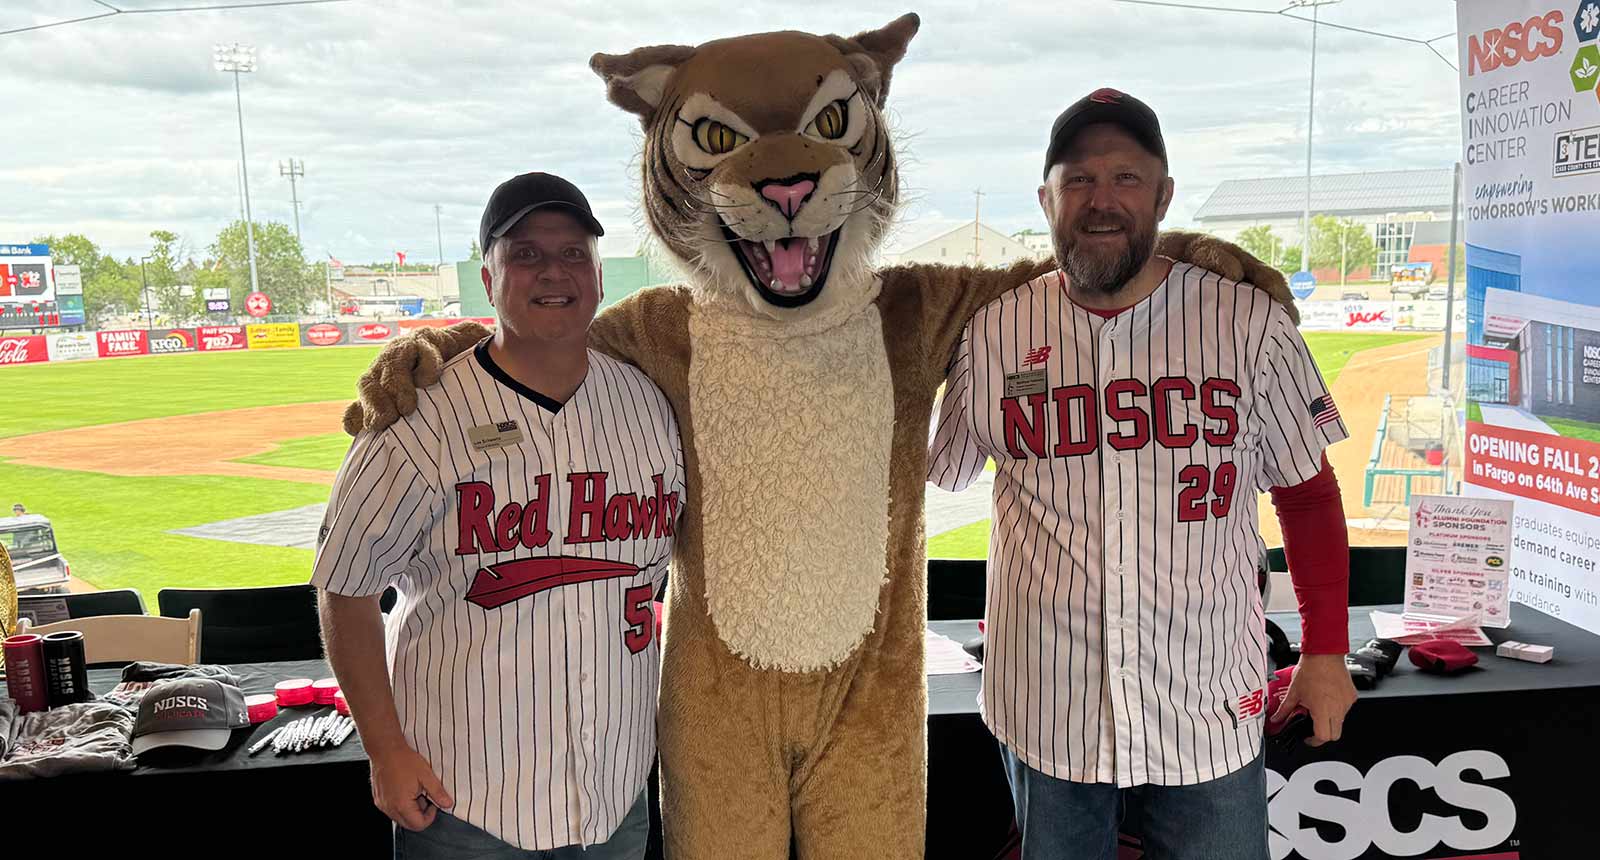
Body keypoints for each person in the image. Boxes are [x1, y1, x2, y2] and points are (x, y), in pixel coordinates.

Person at [927, 88, 1358, 859]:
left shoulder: (1248, 322)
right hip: (1045, 699)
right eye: (1079, 179)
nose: (1102, 201)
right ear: (1046, 198)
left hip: (1208, 700)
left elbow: (1307, 492)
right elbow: (943, 469)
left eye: (1126, 178)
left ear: (1163, 193)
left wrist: (1325, 652)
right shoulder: (994, 331)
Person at [312, 171, 684, 859]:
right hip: (467, 804)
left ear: (601, 277)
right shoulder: (419, 415)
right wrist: (385, 749)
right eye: (526, 254)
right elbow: (346, 586)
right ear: (489, 279)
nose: (554, 271)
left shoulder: (652, 405)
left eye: (574, 252)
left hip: (617, 793)